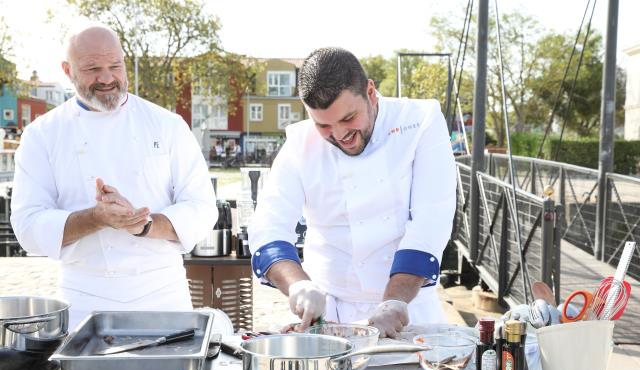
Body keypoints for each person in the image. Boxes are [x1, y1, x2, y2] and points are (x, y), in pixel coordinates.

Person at [10, 25, 217, 329]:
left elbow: (201, 207)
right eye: (93, 68)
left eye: (115, 66)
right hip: (83, 300)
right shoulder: (42, 135)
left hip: (163, 294)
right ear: (68, 70)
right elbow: (27, 226)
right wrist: (96, 218)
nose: (106, 78)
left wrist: (145, 224)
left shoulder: (167, 125)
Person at [248, 47, 456, 338]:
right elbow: (268, 227)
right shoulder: (299, 143)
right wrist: (298, 285)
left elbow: (430, 220)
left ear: (370, 93)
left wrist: (394, 300)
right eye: (323, 125)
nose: (339, 135)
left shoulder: (420, 121)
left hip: (408, 308)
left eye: (348, 119)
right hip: (326, 315)